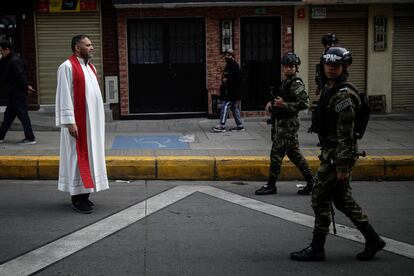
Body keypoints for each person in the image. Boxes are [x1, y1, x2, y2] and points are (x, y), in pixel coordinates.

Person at [290, 47, 385, 262]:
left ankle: (317, 247)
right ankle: (373, 239)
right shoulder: (330, 89)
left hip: (337, 155)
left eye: (336, 65)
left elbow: (346, 135)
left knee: (319, 197)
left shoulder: (344, 96)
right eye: (328, 65)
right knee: (342, 200)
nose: (331, 69)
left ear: (345, 67)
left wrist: (342, 167)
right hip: (333, 152)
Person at [55, 34, 109, 214]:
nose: (92, 47)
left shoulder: (90, 67)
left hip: (91, 123)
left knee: (90, 157)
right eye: (88, 45)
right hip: (77, 123)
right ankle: (77, 198)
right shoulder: (67, 67)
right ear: (77, 48)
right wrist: (69, 122)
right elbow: (64, 95)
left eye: (91, 44)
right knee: (77, 158)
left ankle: (85, 195)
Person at [255, 53, 314, 196]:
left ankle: (271, 185)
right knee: (294, 155)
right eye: (286, 66)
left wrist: (284, 104)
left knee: (276, 154)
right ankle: (312, 182)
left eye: (291, 66)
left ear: (296, 68)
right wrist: (272, 104)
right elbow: (280, 99)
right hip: (283, 123)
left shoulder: (296, 84)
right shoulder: (286, 83)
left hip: (288, 124)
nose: (288, 69)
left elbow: (304, 103)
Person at [0, 40, 36, 145]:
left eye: (2, 51)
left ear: (7, 50)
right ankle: (1, 136)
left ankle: (30, 138)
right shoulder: (8, 59)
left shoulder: (15, 60)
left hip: (17, 93)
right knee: (8, 116)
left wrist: (27, 87)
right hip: (13, 93)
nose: (1, 53)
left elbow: (20, 75)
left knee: (23, 116)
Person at [212, 49, 244, 132]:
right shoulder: (228, 65)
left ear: (232, 56)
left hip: (232, 92)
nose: (226, 57)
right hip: (229, 91)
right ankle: (240, 125)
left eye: (229, 55)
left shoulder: (234, 65)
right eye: (226, 55)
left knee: (225, 107)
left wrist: (228, 80)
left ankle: (222, 126)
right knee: (234, 108)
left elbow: (239, 79)